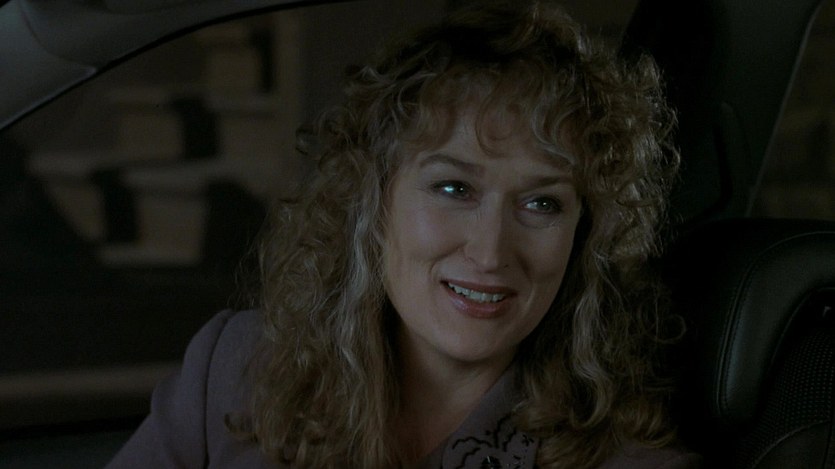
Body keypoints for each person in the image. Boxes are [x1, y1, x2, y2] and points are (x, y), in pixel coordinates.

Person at [107, 1, 701, 467]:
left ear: (583, 238)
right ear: (374, 199)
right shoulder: (234, 370)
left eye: (542, 203)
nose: (490, 252)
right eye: (454, 188)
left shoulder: (627, 463)